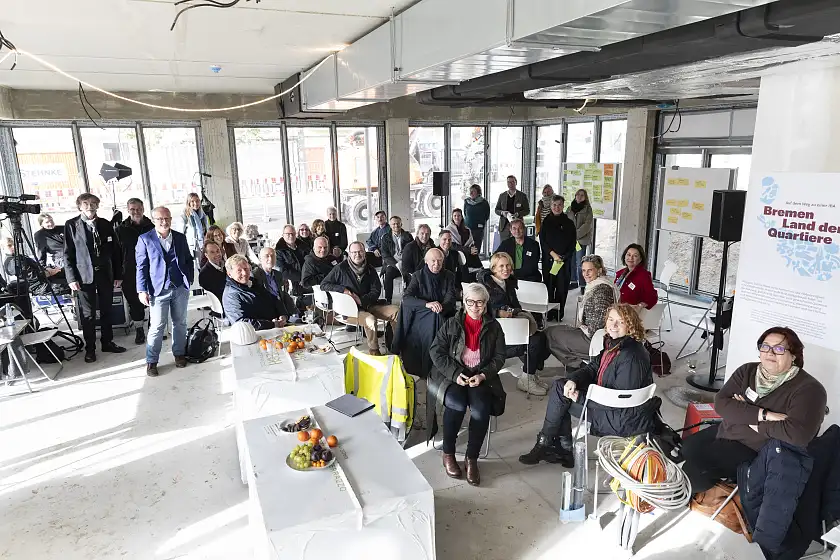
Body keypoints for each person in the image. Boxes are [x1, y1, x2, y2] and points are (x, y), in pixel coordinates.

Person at [681, 326, 826, 493]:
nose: (770, 353)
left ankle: (714, 496)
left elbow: (798, 434)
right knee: (687, 448)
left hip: (755, 448)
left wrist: (747, 416)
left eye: (779, 348)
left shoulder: (809, 389)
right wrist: (765, 415)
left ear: (793, 355)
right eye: (765, 346)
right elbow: (721, 403)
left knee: (693, 472)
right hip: (727, 430)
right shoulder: (748, 371)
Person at [519, 304, 657, 467]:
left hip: (622, 418)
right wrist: (573, 380)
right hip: (613, 409)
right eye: (611, 320)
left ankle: (551, 446)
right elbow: (593, 367)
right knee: (562, 387)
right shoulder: (615, 344)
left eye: (620, 322)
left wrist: (581, 397)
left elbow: (621, 401)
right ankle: (556, 448)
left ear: (630, 325)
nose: (613, 325)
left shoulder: (631, 356)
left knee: (560, 396)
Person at [428, 282, 507, 486]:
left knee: (481, 410)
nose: (475, 307)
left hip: (480, 376)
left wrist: (483, 375)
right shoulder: (452, 324)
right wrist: (455, 374)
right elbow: (436, 351)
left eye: (480, 303)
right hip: (453, 373)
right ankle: (448, 454)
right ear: (463, 302)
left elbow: (499, 357)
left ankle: (472, 458)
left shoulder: (494, 327)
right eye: (470, 302)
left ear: (486, 304)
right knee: (456, 404)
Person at [64, 193, 126, 363]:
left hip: (105, 274)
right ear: (79, 206)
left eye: (93, 203)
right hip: (84, 277)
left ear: (98, 205)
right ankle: (90, 348)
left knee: (107, 309)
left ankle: (107, 342)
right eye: (85, 203)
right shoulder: (71, 225)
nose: (89, 206)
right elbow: (67, 253)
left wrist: (118, 275)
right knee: (88, 314)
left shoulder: (106, 224)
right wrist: (71, 278)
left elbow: (116, 251)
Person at [477, 253, 549, 397]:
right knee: (536, 341)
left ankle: (529, 374)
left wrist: (515, 312)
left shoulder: (509, 283)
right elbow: (479, 310)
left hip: (510, 327)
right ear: (493, 268)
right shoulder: (485, 286)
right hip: (494, 337)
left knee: (542, 337)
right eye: (501, 266)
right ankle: (527, 378)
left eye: (508, 265)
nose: (506, 269)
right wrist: (498, 313)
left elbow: (515, 306)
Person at [135, 206, 194, 377]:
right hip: (157, 289)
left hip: (179, 288)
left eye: (167, 218)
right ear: (153, 220)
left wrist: (188, 278)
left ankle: (179, 354)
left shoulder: (180, 237)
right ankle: (151, 361)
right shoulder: (145, 239)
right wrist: (142, 290)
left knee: (180, 323)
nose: (164, 222)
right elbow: (141, 267)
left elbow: (188, 260)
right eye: (160, 219)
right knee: (157, 326)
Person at [320, 241, 398, 355]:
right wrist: (344, 290)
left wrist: (361, 300)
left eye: (360, 251)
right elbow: (324, 285)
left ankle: (397, 345)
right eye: (354, 252)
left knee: (396, 310)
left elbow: (376, 291)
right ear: (350, 254)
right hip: (350, 310)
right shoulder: (341, 268)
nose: (358, 254)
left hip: (369, 304)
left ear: (364, 253)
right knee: (370, 320)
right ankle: (374, 351)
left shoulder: (370, 269)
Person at [392, 248, 458, 378]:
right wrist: (427, 304)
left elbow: (450, 299)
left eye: (439, 261)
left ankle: (440, 363)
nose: (436, 264)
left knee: (438, 316)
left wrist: (440, 306)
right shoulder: (418, 275)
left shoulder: (449, 275)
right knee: (435, 317)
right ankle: (429, 366)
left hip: (443, 310)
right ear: (426, 261)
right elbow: (407, 298)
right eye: (433, 261)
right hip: (422, 312)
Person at [545, 255, 619, 367]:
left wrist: (581, 329)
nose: (586, 274)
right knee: (553, 332)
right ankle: (578, 366)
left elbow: (598, 324)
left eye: (590, 270)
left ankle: (579, 366)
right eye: (583, 270)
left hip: (596, 340)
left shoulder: (602, 289)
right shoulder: (596, 285)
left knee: (550, 335)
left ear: (599, 270)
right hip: (591, 334)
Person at [117, 198, 154, 345]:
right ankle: (139, 330)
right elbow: (116, 254)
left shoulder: (153, 226)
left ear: (143, 209)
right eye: (132, 209)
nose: (136, 211)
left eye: (138, 208)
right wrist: (118, 275)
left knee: (154, 300)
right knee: (135, 303)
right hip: (130, 272)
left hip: (152, 270)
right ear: (128, 210)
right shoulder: (120, 229)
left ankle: (154, 328)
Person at [223, 254, 295, 329]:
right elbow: (241, 322)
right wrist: (272, 325)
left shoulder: (253, 283)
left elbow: (273, 299)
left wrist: (283, 315)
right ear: (229, 274)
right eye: (239, 270)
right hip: (257, 334)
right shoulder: (230, 295)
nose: (244, 273)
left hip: (275, 328)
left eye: (246, 269)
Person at [539, 195, 577, 322]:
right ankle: (549, 313)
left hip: (564, 262)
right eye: (554, 205)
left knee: (562, 288)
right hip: (549, 261)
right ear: (550, 206)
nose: (557, 207)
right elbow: (543, 242)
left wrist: (563, 257)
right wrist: (553, 254)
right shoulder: (546, 222)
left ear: (563, 206)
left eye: (559, 205)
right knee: (549, 287)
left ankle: (559, 314)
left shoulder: (569, 223)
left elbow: (573, 244)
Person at [2, 236, 67, 296]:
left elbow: (36, 268)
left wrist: (49, 269)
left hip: (45, 279)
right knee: (71, 283)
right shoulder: (12, 262)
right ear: (2, 247)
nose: (13, 247)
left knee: (69, 273)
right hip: (40, 286)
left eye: (14, 244)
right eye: (9, 245)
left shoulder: (17, 257)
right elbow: (33, 277)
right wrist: (50, 272)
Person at [252, 247, 301, 315]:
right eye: (267, 256)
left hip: (281, 311)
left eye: (273, 256)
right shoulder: (255, 275)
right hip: (266, 312)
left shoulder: (278, 274)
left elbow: (284, 295)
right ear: (260, 259)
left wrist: (296, 312)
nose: (270, 259)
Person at [379, 216, 414, 304]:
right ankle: (388, 299)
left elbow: (413, 251)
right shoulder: (385, 237)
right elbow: (385, 255)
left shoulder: (408, 236)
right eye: (393, 224)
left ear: (401, 224)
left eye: (398, 223)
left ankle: (408, 298)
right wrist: (396, 264)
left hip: (406, 263)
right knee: (388, 274)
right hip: (393, 264)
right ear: (390, 225)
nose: (396, 225)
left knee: (410, 275)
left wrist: (405, 262)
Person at [495, 218, 542, 283]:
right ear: (510, 230)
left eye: (520, 228)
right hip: (510, 278)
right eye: (514, 228)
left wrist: (512, 272)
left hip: (530, 279)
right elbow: (494, 257)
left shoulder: (533, 245)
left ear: (524, 229)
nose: (517, 231)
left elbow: (532, 268)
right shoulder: (506, 243)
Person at [615, 244, 657, 310]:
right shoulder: (620, 273)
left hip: (631, 314)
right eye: (628, 255)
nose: (631, 258)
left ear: (640, 259)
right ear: (624, 256)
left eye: (635, 256)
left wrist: (640, 306)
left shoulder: (644, 276)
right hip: (617, 309)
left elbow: (652, 297)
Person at [567, 189, 594, 292]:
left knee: (580, 263)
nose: (579, 196)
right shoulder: (570, 208)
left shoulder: (588, 209)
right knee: (571, 261)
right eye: (578, 194)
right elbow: (566, 222)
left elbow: (587, 225)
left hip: (580, 240)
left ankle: (582, 284)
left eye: (582, 195)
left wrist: (576, 235)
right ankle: (573, 281)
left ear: (585, 197)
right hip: (570, 240)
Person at [174, 192, 209, 268]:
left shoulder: (203, 215)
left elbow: (207, 230)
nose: (195, 203)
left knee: (206, 266)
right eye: (192, 201)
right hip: (194, 247)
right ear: (188, 203)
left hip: (204, 245)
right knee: (199, 267)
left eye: (197, 200)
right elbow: (179, 234)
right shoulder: (184, 216)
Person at [494, 175, 530, 241]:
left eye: (512, 182)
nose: (510, 184)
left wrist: (518, 214)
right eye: (509, 182)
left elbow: (527, 210)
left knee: (518, 245)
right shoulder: (502, 196)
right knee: (505, 246)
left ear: (516, 183)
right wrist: (502, 212)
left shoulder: (522, 196)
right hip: (504, 226)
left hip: (518, 225)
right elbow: (496, 210)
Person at [274, 224, 306, 294]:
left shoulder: (303, 246)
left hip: (307, 280)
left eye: (293, 233)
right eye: (288, 234)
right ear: (283, 235)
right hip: (293, 284)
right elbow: (283, 271)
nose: (291, 236)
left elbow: (310, 262)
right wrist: (301, 278)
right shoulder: (279, 251)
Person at [463, 184, 491, 253]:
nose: (471, 193)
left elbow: (487, 216)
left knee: (476, 249)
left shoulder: (484, 203)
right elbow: (465, 213)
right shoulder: (467, 201)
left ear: (478, 192)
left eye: (473, 191)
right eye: (470, 191)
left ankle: (475, 263)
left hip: (478, 230)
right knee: (467, 248)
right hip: (467, 228)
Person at [198, 240, 226, 304]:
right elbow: (215, 296)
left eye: (218, 251)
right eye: (212, 252)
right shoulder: (204, 274)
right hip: (221, 304)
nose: (217, 254)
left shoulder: (226, 265)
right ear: (206, 255)